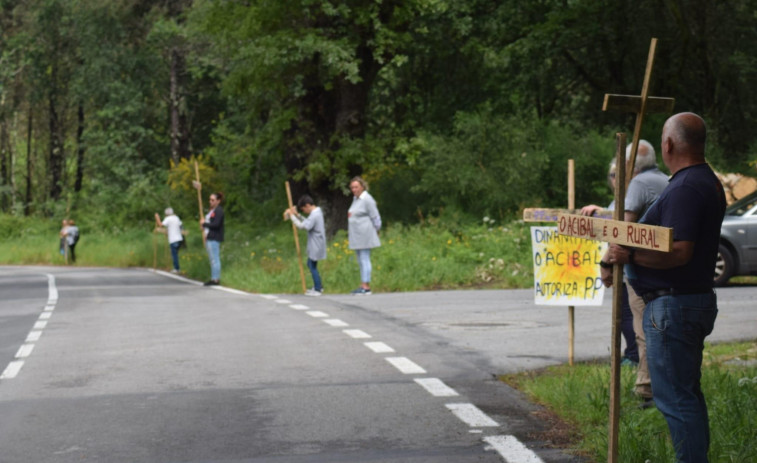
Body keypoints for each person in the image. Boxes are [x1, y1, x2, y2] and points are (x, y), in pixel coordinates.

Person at [604, 113, 725, 463]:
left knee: (675, 398)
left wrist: (630, 257)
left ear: (669, 145)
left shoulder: (687, 187)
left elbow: (679, 252)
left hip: (673, 306)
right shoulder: (703, 181)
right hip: (685, 303)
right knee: (685, 394)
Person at [598, 140, 670, 408]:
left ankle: (647, 391)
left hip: (640, 268)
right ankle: (654, 387)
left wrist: (606, 262)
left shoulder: (639, 184)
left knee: (644, 332)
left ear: (630, 166)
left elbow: (622, 229)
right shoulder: (663, 179)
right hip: (659, 267)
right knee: (655, 330)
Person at [581, 161, 639, 367]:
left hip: (627, 267)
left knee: (629, 316)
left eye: (619, 175)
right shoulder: (617, 202)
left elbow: (619, 232)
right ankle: (632, 353)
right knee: (624, 315)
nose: (615, 180)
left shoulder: (631, 199)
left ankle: (634, 356)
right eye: (612, 176)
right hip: (620, 268)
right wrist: (598, 210)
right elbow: (610, 219)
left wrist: (605, 263)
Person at [284, 195, 327, 296]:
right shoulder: (316, 213)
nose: (304, 212)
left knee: (311, 265)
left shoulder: (315, 215)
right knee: (311, 264)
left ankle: (317, 288)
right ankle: (318, 286)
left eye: (304, 209)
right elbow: (308, 221)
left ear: (307, 205)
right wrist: (298, 215)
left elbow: (304, 226)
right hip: (316, 242)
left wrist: (292, 217)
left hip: (316, 243)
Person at [347, 176, 381, 295]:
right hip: (357, 234)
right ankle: (363, 284)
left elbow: (375, 217)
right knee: (360, 260)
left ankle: (366, 286)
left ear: (362, 186)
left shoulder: (367, 199)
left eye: (356, 187)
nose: (354, 189)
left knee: (364, 258)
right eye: (352, 187)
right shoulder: (356, 199)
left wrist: (376, 230)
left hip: (365, 233)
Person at [200, 190, 225, 286]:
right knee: (212, 259)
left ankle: (216, 279)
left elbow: (216, 224)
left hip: (215, 237)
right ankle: (213, 277)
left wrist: (204, 224)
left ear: (218, 201)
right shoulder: (212, 211)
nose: (210, 202)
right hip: (210, 237)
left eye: (213, 200)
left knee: (215, 258)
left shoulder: (219, 211)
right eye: (210, 200)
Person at [155, 208, 183, 274]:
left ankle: (177, 268)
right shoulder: (176, 217)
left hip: (173, 239)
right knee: (175, 254)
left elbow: (161, 225)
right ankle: (176, 267)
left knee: (174, 254)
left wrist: (157, 218)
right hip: (179, 239)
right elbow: (180, 226)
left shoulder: (168, 218)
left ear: (166, 214)